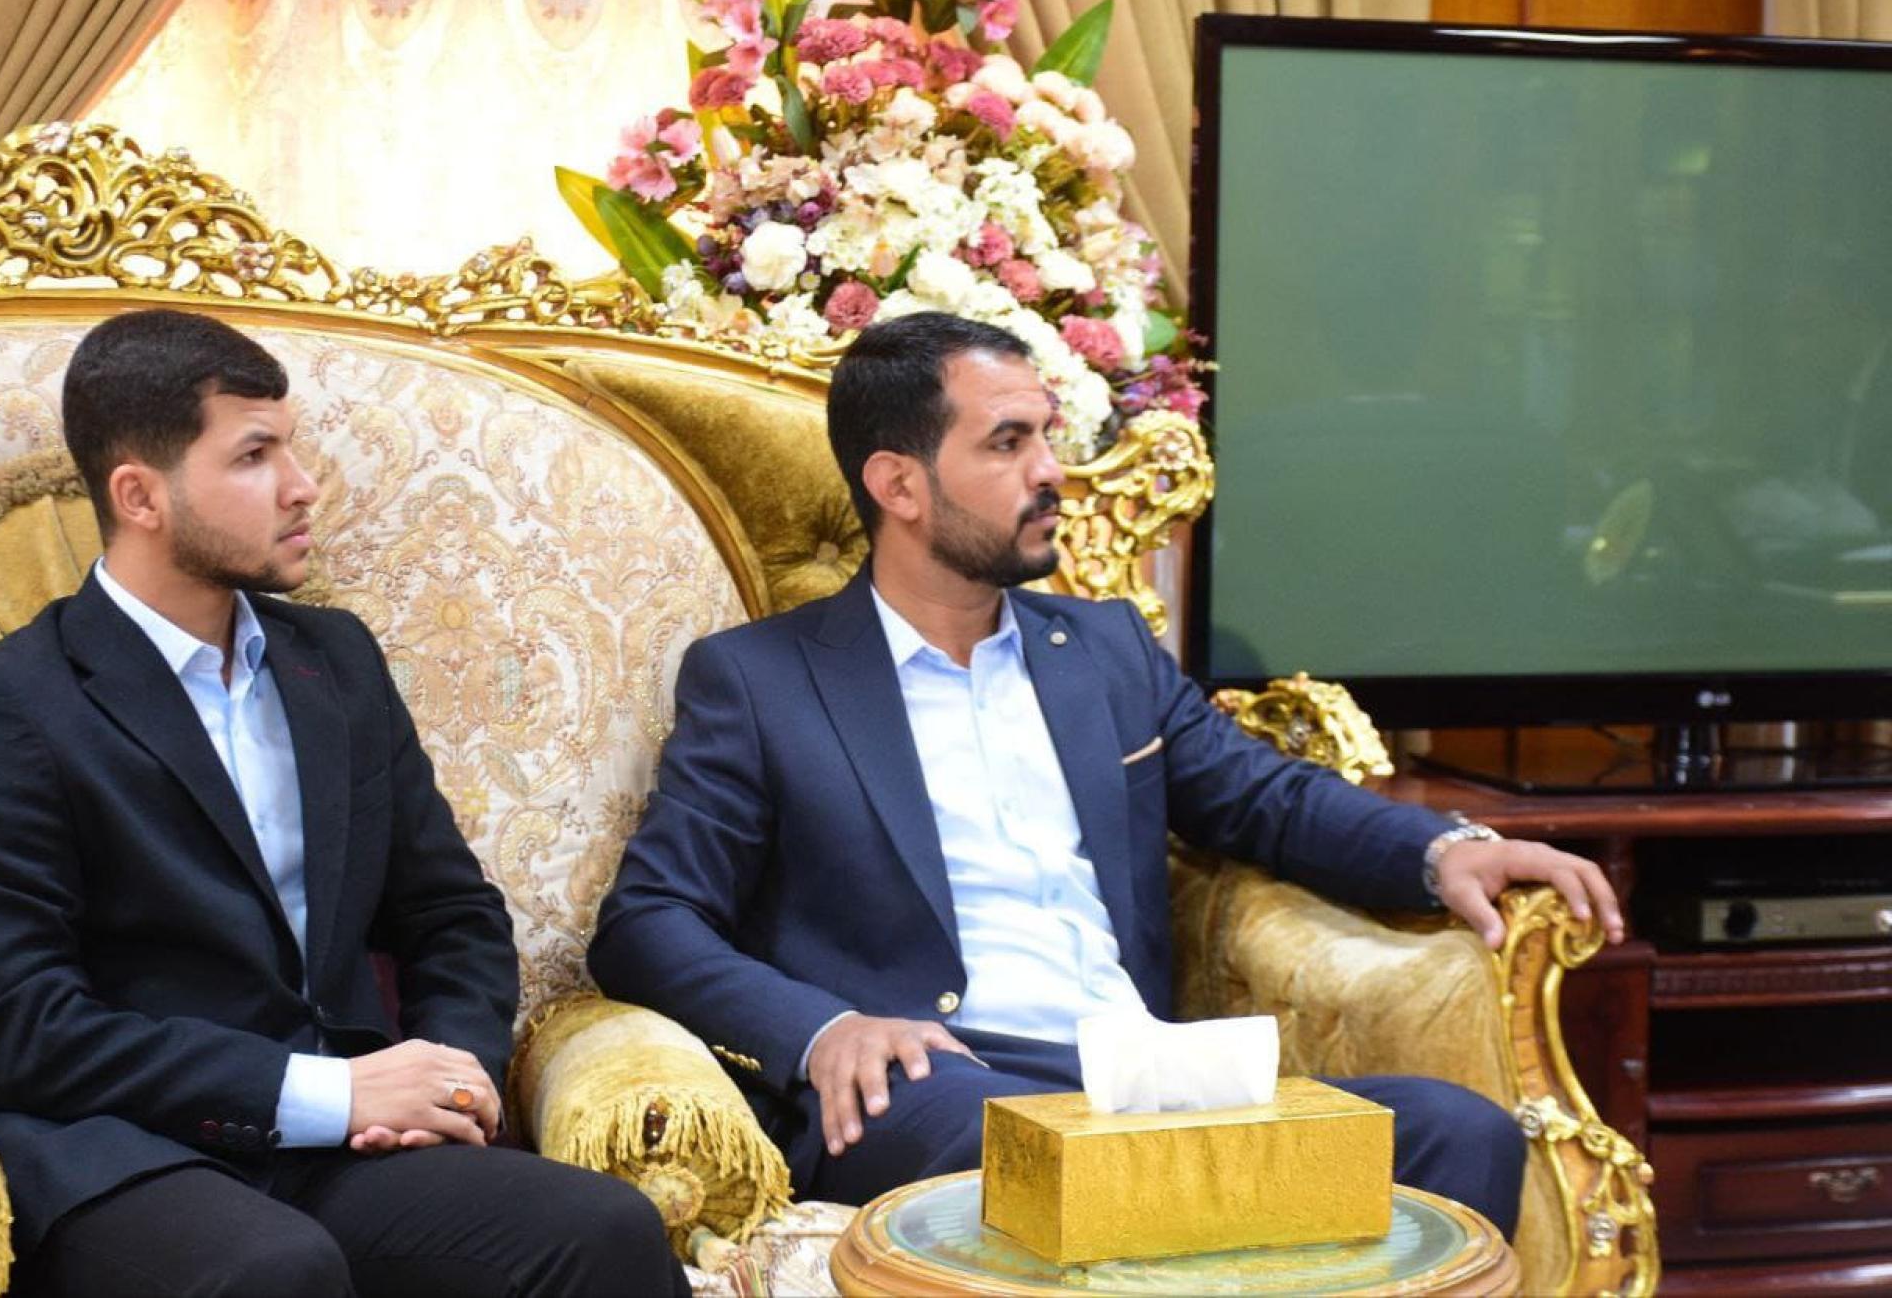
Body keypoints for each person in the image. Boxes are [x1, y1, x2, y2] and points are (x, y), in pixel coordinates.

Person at [590, 311, 1626, 1236]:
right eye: (1008, 443)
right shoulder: (763, 680)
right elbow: (649, 920)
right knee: (1003, 1144)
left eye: (1048, 435)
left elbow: (1261, 797)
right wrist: (822, 1031)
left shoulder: (1104, 650)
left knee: (1457, 1134)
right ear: (897, 485)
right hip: (939, 1080)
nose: (1052, 470)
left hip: (1138, 1070)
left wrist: (1442, 851)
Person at [0, 310, 689, 1298]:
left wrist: (449, 1074)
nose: (302, 484)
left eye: (292, 445)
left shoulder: (336, 661)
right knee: (276, 1272)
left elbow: (449, 912)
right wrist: (329, 1091)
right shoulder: (3, 706)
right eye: (254, 455)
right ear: (140, 495)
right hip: (118, 1151)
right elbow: (22, 1028)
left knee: (600, 1229)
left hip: (344, 1142)